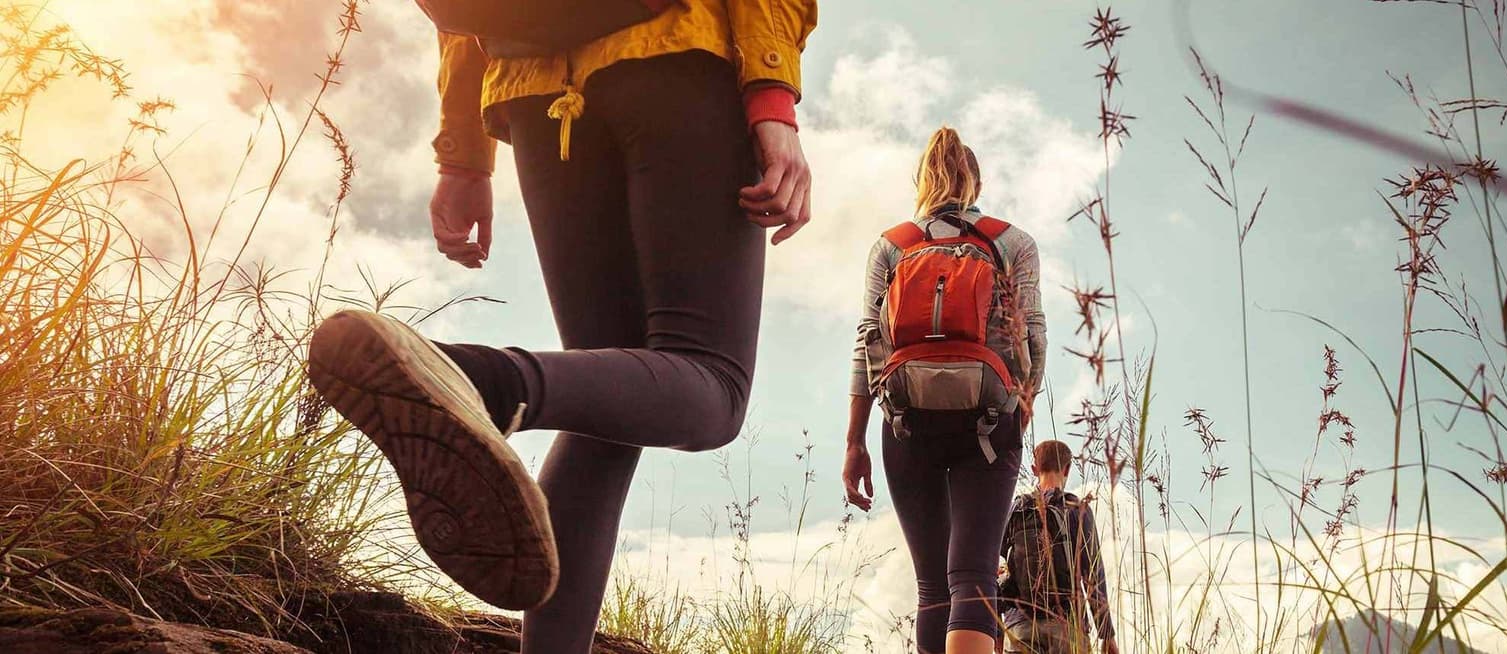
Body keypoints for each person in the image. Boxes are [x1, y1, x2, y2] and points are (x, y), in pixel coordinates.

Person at [303, 2, 817, 652]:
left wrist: (463, 155)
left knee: (606, 413)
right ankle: (477, 380)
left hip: (534, 92)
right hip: (678, 59)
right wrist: (772, 96)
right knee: (712, 387)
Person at [843, 126, 1049, 654]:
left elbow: (868, 343)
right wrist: (1015, 418)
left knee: (932, 587)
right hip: (988, 416)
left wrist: (855, 441)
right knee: (974, 577)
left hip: (905, 420)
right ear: (975, 182)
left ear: (922, 181)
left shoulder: (892, 246)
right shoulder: (1013, 242)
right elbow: (1034, 339)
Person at [998, 440, 1118, 654]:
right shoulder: (1076, 510)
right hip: (1067, 627)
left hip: (1020, 626)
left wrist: (996, 629)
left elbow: (989, 568)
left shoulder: (1015, 509)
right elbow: (1093, 576)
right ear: (1067, 468)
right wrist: (1106, 634)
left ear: (1034, 469)